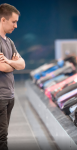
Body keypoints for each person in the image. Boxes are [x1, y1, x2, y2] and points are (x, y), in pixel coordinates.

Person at [0, 3, 25, 150]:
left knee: (3, 135)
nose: (16, 26)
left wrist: (9, 62)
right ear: (3, 20)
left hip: (9, 95)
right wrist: (13, 64)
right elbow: (1, 67)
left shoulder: (9, 42)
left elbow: (22, 64)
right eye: (13, 22)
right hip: (0, 97)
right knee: (2, 137)